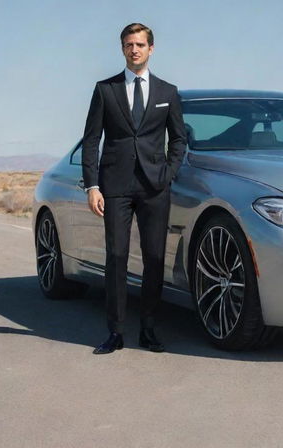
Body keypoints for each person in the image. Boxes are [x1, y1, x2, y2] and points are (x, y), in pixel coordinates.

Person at [82, 23, 187, 354]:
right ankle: (115, 332)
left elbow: (179, 139)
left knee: (154, 258)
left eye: (140, 44)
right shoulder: (105, 90)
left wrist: (168, 173)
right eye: (129, 44)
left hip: (155, 187)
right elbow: (90, 141)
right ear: (122, 48)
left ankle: (149, 328)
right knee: (116, 256)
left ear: (151, 49)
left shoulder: (167, 92)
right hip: (115, 186)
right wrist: (92, 186)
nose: (134, 49)